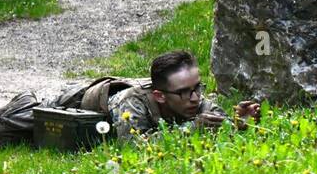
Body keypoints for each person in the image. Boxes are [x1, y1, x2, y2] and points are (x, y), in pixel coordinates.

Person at [108, 50, 260, 142]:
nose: (195, 98)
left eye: (197, 87)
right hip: (91, 95)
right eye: (184, 92)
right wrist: (192, 129)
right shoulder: (131, 103)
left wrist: (236, 122)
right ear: (160, 96)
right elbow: (134, 146)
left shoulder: (191, 96)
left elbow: (215, 119)